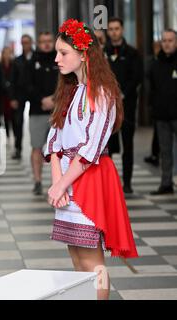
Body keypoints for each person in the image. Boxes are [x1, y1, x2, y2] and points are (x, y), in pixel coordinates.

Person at [44, 19, 138, 300]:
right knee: (76, 257)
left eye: (63, 53)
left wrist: (61, 185)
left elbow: (90, 149)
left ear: (84, 54)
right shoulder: (72, 91)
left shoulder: (103, 93)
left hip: (90, 179)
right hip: (68, 178)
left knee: (92, 262)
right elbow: (54, 143)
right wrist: (57, 182)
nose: (57, 58)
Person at [105, 17, 143, 194]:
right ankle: (109, 183)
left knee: (128, 145)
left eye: (116, 28)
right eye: (111, 29)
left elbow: (137, 77)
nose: (113, 32)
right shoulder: (101, 53)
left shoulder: (133, 53)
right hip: (106, 107)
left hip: (127, 105)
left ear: (122, 30)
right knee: (108, 146)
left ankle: (127, 182)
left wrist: (122, 93)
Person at [27, 31, 59, 196]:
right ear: (38, 43)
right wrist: (42, 100)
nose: (46, 44)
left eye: (49, 41)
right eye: (43, 41)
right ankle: (37, 181)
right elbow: (27, 84)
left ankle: (58, 181)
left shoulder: (60, 58)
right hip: (37, 110)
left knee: (59, 149)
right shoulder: (32, 61)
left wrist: (54, 99)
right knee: (36, 147)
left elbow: (67, 82)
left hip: (58, 111)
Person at [149, 29, 177, 195]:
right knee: (165, 151)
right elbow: (152, 88)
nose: (166, 43)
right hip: (161, 115)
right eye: (164, 40)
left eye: (170, 40)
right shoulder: (155, 63)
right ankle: (166, 183)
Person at [10, 34, 35, 160]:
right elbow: (12, 80)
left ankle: (38, 147)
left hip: (35, 93)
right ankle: (18, 147)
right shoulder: (17, 60)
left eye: (27, 42)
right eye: (23, 42)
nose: (26, 45)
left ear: (32, 43)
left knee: (35, 119)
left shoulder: (37, 58)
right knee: (18, 121)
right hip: (20, 93)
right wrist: (13, 98)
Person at [0, 47, 14, 140]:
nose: (7, 55)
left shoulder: (14, 64)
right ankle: (7, 136)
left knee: (12, 116)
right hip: (3, 94)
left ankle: (13, 135)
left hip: (11, 94)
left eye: (8, 53)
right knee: (5, 116)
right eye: (5, 53)